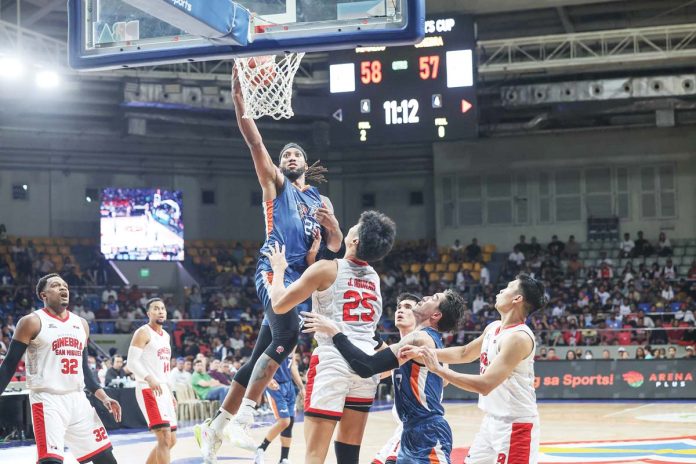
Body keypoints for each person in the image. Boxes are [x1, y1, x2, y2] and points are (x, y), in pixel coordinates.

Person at [196, 69, 343, 463]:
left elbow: (332, 249)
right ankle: (246, 417)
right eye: (285, 155)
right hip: (272, 267)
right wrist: (239, 97)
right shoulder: (275, 185)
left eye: (296, 154)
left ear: (306, 162)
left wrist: (333, 232)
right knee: (289, 333)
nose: (289, 157)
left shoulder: (320, 202)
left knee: (257, 357)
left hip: (301, 277)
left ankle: (215, 428)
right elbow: (254, 139)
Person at [264, 211, 396, 464]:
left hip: (333, 363)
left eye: (355, 227)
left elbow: (280, 304)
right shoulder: (374, 278)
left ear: (355, 241)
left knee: (315, 455)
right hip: (365, 366)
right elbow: (338, 277)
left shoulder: (326, 269)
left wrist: (278, 271)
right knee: (349, 455)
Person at [303, 289, 464, 464]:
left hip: (428, 432)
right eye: (399, 307)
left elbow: (367, 366)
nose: (425, 297)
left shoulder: (421, 339)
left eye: (433, 298)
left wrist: (335, 333)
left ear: (436, 315)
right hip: (410, 430)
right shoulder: (419, 340)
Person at [403, 274, 546, 464]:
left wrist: (438, 369)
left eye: (508, 287)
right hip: (491, 421)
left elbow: (485, 385)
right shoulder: (493, 327)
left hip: (517, 425)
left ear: (517, 298)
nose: (501, 290)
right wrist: (422, 352)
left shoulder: (518, 338)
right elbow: (464, 353)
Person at [0, 273, 121, 464]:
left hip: (78, 399)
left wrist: (104, 397)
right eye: (56, 285)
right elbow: (8, 366)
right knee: (51, 461)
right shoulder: (31, 321)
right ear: (43, 295)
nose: (63, 289)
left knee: (107, 460)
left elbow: (85, 372)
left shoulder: (81, 324)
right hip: (47, 400)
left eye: (65, 286)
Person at [371, 293, 421, 464]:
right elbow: (380, 370)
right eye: (399, 307)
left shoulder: (423, 342)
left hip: (417, 425)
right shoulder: (399, 348)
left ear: (419, 315)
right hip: (403, 426)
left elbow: (444, 380)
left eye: (408, 307)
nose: (400, 310)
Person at [127, 298, 177, 464]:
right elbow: (132, 362)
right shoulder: (143, 332)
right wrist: (149, 378)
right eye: (156, 308)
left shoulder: (167, 336)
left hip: (163, 389)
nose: (161, 311)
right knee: (163, 435)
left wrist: (170, 393)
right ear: (148, 313)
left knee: (171, 440)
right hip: (147, 388)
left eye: (163, 308)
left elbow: (165, 368)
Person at [254, 347, 305, 464]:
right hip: (275, 386)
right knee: (284, 421)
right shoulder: (276, 335)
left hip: (289, 386)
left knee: (290, 422)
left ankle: (284, 458)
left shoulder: (294, 341)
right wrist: (268, 379)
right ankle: (261, 449)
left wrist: (301, 387)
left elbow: (292, 366)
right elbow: (261, 362)